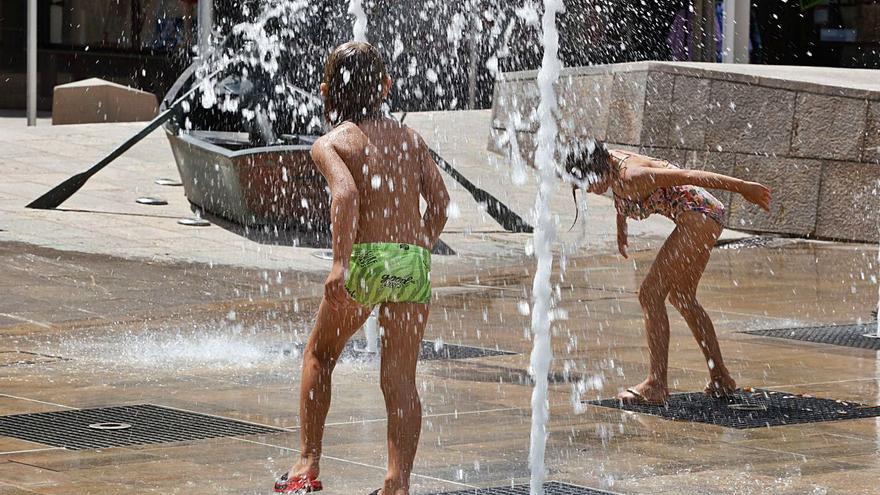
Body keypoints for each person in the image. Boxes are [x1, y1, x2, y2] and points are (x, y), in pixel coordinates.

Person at [274, 42, 450, 495]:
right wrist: (420, 247)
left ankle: (306, 464)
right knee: (400, 379)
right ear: (386, 87)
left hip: (365, 262)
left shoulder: (332, 143)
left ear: (326, 91)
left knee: (320, 354)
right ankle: (397, 482)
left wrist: (339, 262)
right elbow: (441, 201)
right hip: (409, 263)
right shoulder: (411, 139)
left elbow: (346, 196)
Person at [563, 142, 771, 405]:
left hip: (698, 218)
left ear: (598, 169)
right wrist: (621, 228)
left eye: (588, 183)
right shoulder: (611, 161)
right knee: (682, 297)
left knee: (650, 294)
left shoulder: (632, 174)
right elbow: (621, 196)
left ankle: (656, 384)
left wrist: (744, 187)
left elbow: (689, 175)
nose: (589, 190)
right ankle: (721, 376)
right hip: (704, 217)